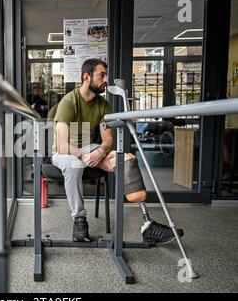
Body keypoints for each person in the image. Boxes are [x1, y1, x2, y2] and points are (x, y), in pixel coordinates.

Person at [52, 58, 184, 244]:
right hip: (65, 153)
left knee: (126, 160)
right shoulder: (69, 101)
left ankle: (148, 224)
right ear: (86, 77)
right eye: (102, 75)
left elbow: (108, 140)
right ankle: (79, 220)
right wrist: (83, 155)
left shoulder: (103, 105)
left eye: (106, 75)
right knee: (74, 164)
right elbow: (61, 145)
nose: (106, 79)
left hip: (89, 148)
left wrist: (99, 152)